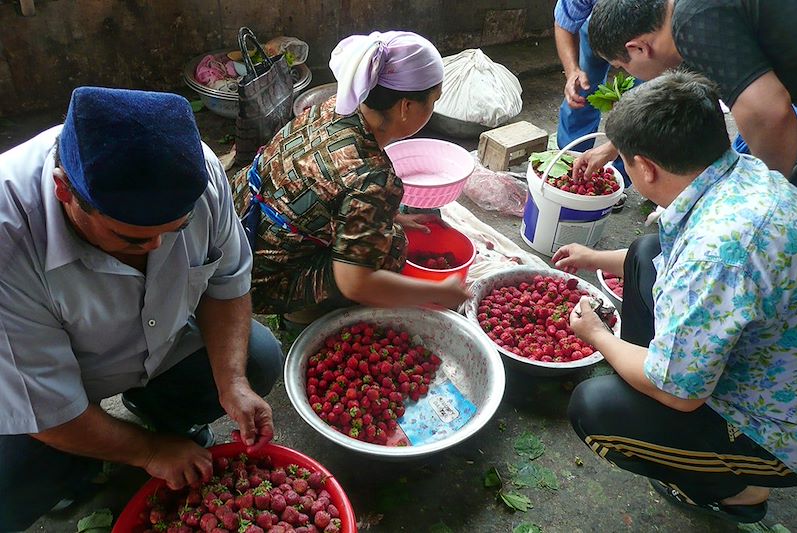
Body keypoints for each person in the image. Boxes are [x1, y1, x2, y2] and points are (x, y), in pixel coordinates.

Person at [0, 87, 284, 530]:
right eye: (133, 239)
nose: (157, 247)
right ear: (63, 191)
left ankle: (161, 422)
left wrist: (232, 384)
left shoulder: (199, 175)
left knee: (258, 358)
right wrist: (149, 452)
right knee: (11, 490)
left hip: (156, 343)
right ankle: (83, 465)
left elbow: (227, 281)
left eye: (175, 230)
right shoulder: (9, 239)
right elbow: (45, 408)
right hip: (36, 380)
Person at [553, 71, 797, 524]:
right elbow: (675, 255)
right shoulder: (742, 174)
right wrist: (593, 257)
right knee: (645, 252)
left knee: (596, 409)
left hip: (779, 431)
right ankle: (661, 383)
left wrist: (598, 335)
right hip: (777, 366)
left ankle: (740, 490)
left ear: (645, 167)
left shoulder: (717, 255)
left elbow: (681, 394)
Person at [228, 31, 471, 324]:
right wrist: (439, 291)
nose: (432, 110)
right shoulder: (374, 176)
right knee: (391, 250)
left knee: (386, 234)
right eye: (433, 101)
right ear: (406, 107)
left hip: (237, 224)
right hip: (256, 279)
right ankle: (304, 315)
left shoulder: (334, 108)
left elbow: (323, 186)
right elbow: (356, 282)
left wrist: (389, 216)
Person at [576, 0, 797, 186]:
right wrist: (614, 146)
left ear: (638, 48)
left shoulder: (691, 23)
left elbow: (768, 115)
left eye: (621, 66)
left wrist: (762, 192)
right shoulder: (685, 18)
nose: (625, 72)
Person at [553, 0, 633, 211]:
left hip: (651, 30)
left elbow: (657, 106)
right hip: (595, 24)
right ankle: (569, 163)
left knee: (641, 98)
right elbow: (564, 22)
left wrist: (615, 146)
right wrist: (572, 72)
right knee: (582, 89)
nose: (618, 66)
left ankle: (621, 176)